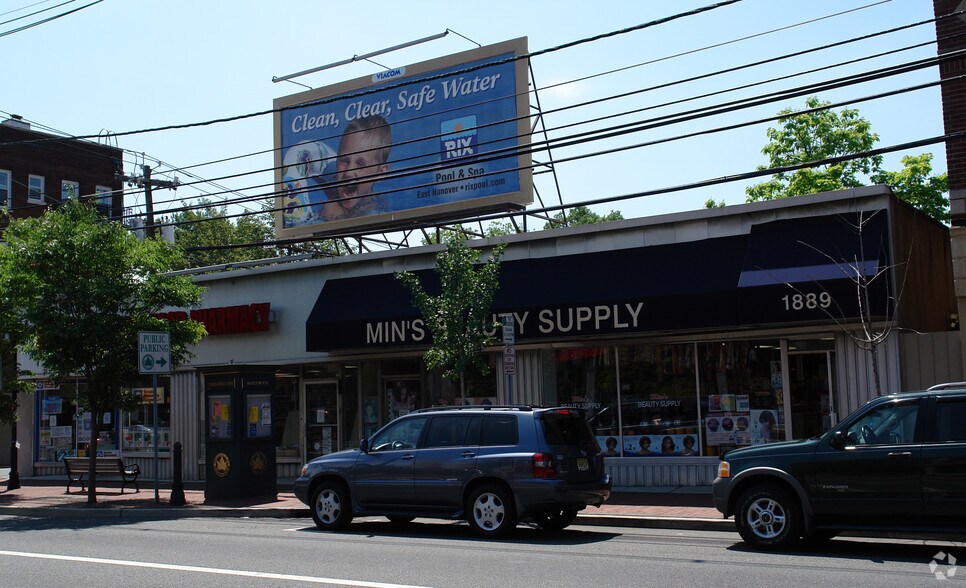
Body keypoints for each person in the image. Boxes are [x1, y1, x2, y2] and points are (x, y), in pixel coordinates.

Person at [323, 115, 392, 221]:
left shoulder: (382, 207)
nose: (349, 173)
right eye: (344, 160)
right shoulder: (329, 211)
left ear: (380, 173)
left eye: (360, 164)